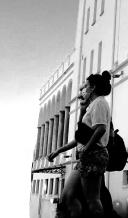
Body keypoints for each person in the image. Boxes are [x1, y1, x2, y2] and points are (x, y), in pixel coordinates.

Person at [49, 71, 112, 217]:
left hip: (94, 154)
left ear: (93, 87)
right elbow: (82, 136)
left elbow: (101, 129)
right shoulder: (93, 105)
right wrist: (60, 150)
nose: (83, 90)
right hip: (87, 155)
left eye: (86, 86)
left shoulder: (99, 103)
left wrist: (87, 148)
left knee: (92, 199)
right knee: (68, 196)